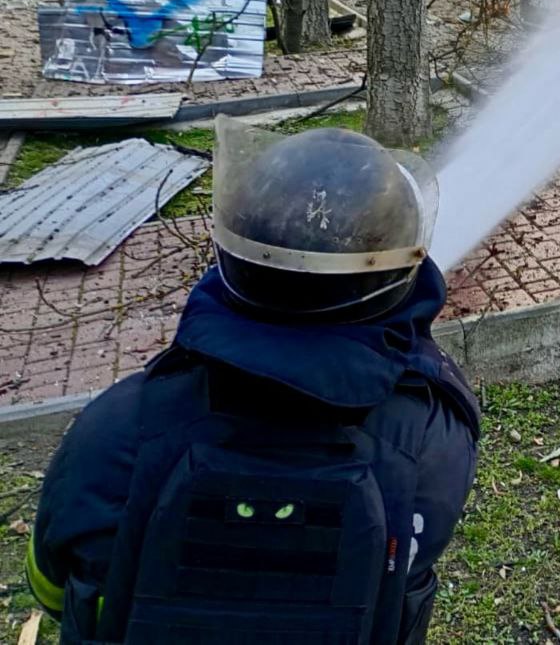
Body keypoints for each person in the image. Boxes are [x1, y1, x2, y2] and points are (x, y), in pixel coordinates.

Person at [27, 117, 480, 644]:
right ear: (397, 277)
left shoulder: (114, 428)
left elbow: (51, 589)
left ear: (234, 256)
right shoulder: (432, 440)